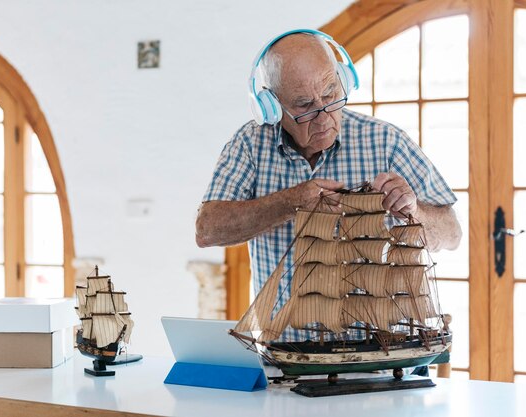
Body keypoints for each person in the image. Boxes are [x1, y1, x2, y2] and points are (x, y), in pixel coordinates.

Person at [196, 30, 462, 341]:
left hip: (385, 356)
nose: (324, 116)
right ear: (271, 105)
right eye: (305, 104)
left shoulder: (387, 142)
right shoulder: (249, 145)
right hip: (285, 359)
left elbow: (452, 235)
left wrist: (414, 209)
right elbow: (207, 230)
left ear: (343, 80)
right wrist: (290, 202)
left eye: (331, 93)